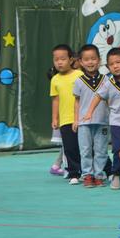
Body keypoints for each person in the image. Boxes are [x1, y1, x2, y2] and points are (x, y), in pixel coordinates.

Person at [84, 47, 120, 190]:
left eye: (118, 62)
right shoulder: (108, 83)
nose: (115, 66)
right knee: (118, 149)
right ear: (107, 67)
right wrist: (89, 112)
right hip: (117, 123)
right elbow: (97, 96)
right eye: (111, 64)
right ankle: (116, 174)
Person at [74, 44, 110, 188]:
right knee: (85, 150)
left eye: (93, 59)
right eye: (86, 59)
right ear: (81, 62)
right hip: (84, 123)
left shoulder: (107, 80)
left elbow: (109, 100)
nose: (90, 62)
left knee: (101, 150)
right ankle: (87, 175)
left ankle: (99, 175)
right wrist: (76, 119)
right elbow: (76, 102)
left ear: (99, 60)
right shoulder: (78, 81)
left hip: (102, 121)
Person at [49, 45, 83, 184]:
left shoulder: (80, 75)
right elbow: (55, 100)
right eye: (56, 59)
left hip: (82, 119)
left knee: (88, 146)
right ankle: (74, 173)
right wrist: (55, 118)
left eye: (63, 59)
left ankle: (100, 171)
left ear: (71, 59)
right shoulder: (55, 80)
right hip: (65, 120)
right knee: (70, 148)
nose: (59, 62)